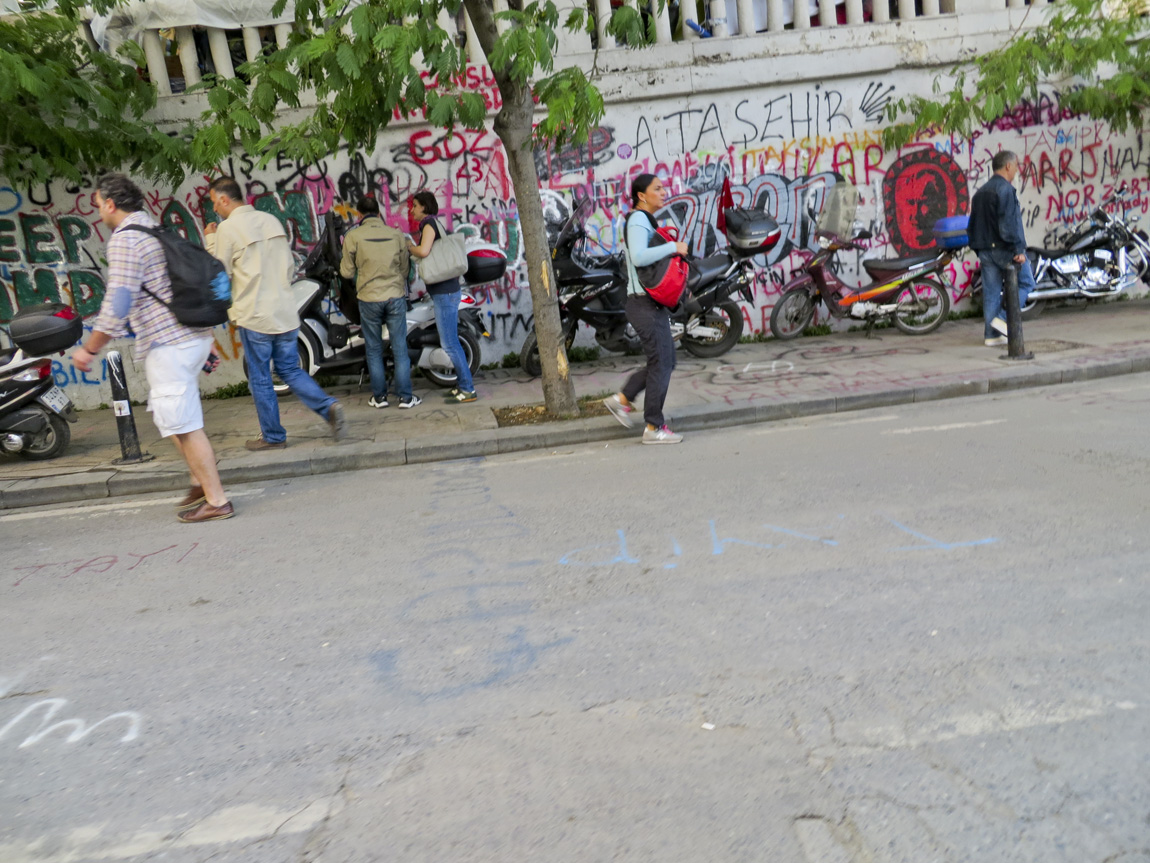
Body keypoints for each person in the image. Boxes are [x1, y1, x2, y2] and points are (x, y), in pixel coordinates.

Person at [72, 173, 233, 522]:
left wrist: (90, 348)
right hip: (189, 339)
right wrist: (207, 339)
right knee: (171, 419)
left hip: (169, 345)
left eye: (99, 204)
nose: (99, 211)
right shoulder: (154, 229)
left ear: (111, 204)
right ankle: (198, 478)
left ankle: (217, 500)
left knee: (185, 425)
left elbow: (119, 300)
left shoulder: (125, 240)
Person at [205, 176, 346, 449]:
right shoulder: (271, 221)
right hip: (285, 310)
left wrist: (211, 239)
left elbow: (220, 271)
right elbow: (289, 267)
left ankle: (273, 437)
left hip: (255, 314)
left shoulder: (227, 229)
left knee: (260, 376)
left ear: (224, 200)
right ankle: (327, 407)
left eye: (214, 203)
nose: (214, 210)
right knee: (291, 370)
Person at [602, 173, 687, 444]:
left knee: (664, 361)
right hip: (644, 304)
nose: (663, 192)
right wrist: (674, 247)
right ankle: (653, 427)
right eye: (657, 188)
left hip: (649, 304)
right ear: (642, 195)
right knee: (662, 363)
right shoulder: (639, 219)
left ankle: (622, 399)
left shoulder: (645, 220)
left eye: (663, 188)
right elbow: (638, 256)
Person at [340, 196, 419, 409]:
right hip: (394, 296)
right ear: (379, 213)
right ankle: (405, 397)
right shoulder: (395, 234)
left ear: (359, 214)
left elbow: (346, 271)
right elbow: (404, 269)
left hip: (368, 299)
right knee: (400, 347)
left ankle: (380, 398)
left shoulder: (353, 236)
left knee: (374, 349)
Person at [406, 191, 477, 403]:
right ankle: (462, 385)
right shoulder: (433, 224)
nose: (412, 210)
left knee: (449, 344)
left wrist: (409, 247)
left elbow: (424, 251)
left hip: (445, 293)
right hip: (446, 292)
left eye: (415, 206)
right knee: (451, 341)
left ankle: (467, 388)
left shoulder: (428, 225)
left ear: (425, 207)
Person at [968, 150, 1035, 347]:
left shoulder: (980, 192)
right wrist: (1018, 251)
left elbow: (972, 225)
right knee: (1026, 283)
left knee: (991, 292)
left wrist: (979, 249)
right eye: (1016, 165)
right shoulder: (1005, 190)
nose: (1017, 170)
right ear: (1008, 166)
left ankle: (991, 335)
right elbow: (1009, 224)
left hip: (985, 250)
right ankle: (1003, 319)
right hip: (1004, 249)